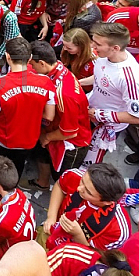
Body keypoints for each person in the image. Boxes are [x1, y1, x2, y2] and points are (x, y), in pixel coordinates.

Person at [0, 37, 55, 186]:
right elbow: (49, 116)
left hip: (1, 137)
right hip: (27, 140)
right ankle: (6, 191)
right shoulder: (46, 82)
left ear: (8, 56)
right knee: (16, 166)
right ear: (29, 58)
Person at [27, 41, 92, 189]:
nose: (32, 68)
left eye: (33, 64)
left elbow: (70, 131)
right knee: (42, 154)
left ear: (42, 63)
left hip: (71, 142)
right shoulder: (58, 69)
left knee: (62, 178)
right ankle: (42, 182)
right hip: (53, 129)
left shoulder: (64, 94)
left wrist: (47, 137)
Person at [83, 22, 139, 165]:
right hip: (90, 113)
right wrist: (78, 82)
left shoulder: (131, 78)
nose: (93, 46)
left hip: (104, 125)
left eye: (97, 44)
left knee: (88, 162)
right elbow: (102, 77)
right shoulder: (105, 56)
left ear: (115, 48)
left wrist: (99, 114)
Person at [43, 163, 131, 252]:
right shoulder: (75, 176)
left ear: (107, 202)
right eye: (82, 181)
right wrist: (51, 216)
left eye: (88, 192)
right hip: (54, 230)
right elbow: (60, 185)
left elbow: (98, 256)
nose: (79, 188)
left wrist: (78, 235)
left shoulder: (118, 230)